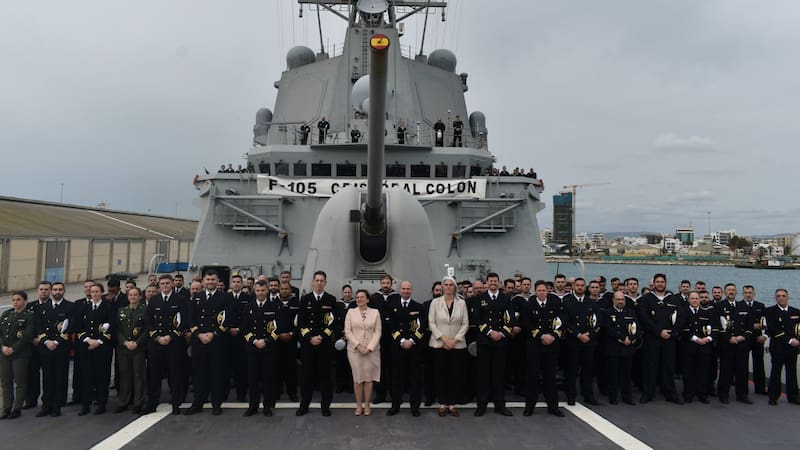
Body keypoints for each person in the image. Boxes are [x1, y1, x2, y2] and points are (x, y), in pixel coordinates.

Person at [183, 271, 235, 416]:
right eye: (208, 279)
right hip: (199, 341)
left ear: (217, 281)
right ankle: (198, 402)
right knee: (199, 373)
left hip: (217, 340)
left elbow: (228, 318)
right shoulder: (197, 297)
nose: (210, 282)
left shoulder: (225, 297)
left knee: (217, 373)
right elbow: (190, 319)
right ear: (204, 281)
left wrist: (214, 333)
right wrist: (199, 334)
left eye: (213, 279)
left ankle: (216, 404)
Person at [142, 274, 191, 416]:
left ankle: (176, 404)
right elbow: (148, 321)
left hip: (174, 343)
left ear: (172, 284)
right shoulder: (154, 301)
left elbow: (183, 322)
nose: (164, 285)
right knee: (154, 375)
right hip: (156, 343)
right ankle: (152, 404)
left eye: (167, 283)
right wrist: (157, 337)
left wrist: (170, 337)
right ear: (159, 285)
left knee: (175, 375)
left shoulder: (180, 300)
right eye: (162, 283)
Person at [472, 272, 514, 416]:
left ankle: (500, 405)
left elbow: (510, 318)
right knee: (483, 375)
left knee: (499, 375)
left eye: (495, 281)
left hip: (501, 342)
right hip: (485, 341)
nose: (493, 283)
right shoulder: (479, 298)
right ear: (487, 283)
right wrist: (490, 332)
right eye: (490, 281)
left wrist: (501, 333)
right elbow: (477, 319)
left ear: (499, 282)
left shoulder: (506, 298)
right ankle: (481, 405)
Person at [637, 273, 684, 404]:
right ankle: (648, 393)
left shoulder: (674, 299)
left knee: (668, 367)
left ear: (665, 283)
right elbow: (644, 318)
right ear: (654, 284)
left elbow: (681, 317)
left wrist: (672, 332)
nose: (660, 284)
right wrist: (659, 331)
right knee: (650, 367)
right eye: (657, 282)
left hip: (669, 339)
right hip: (652, 338)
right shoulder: (646, 299)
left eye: (662, 282)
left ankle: (670, 393)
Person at [296, 271, 337, 417]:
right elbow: (301, 322)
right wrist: (309, 337)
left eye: (322, 281)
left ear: (325, 283)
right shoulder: (305, 299)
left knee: (325, 375)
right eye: (317, 280)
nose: (319, 283)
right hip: (308, 344)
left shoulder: (331, 299)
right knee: (306, 376)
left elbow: (333, 322)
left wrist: (321, 336)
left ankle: (325, 406)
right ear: (313, 282)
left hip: (324, 344)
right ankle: (304, 405)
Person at [521, 280, 565, 417]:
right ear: (535, 291)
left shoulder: (555, 304)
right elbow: (526, 324)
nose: (541, 293)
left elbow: (562, 322)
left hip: (551, 346)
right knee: (532, 377)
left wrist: (552, 336)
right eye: (539, 290)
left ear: (548, 291)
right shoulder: (528, 305)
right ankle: (530, 407)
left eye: (544, 290)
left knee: (550, 378)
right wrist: (541, 336)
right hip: (535, 346)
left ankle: (553, 407)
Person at [428, 276, 469, 417]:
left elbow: (465, 323)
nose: (448, 287)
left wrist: (454, 340)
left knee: (454, 374)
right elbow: (431, 323)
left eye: (451, 284)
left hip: (457, 345)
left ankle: (452, 404)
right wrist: (445, 339)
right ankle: (442, 403)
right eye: (446, 284)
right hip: (439, 344)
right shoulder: (435, 302)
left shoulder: (462, 303)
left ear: (455, 287)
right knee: (440, 374)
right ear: (442, 287)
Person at [386, 281, 425, 416]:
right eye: (404, 289)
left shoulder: (419, 307)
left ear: (411, 290)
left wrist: (412, 340)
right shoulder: (392, 306)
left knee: (415, 379)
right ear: (399, 290)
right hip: (398, 348)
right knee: (396, 378)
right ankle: (395, 405)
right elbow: (391, 327)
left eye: (408, 289)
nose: (406, 291)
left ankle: (415, 407)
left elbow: (421, 327)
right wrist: (402, 340)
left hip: (414, 348)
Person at [75, 284, 115, 416]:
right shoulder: (83, 307)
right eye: (92, 292)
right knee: (87, 376)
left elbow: (112, 326)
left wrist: (99, 341)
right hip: (86, 346)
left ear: (102, 293)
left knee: (102, 376)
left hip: (102, 347)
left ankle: (101, 403)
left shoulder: (108, 307)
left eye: (97, 291)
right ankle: (85, 404)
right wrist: (88, 340)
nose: (94, 294)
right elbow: (79, 327)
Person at [241, 281, 279, 417]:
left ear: (267, 291)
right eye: (258, 290)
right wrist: (255, 341)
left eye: (263, 290)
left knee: (267, 379)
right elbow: (245, 329)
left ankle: (267, 406)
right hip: (252, 349)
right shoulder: (248, 307)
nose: (261, 293)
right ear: (254, 292)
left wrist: (266, 340)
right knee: (252, 379)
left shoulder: (274, 307)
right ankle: (253, 406)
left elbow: (277, 328)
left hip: (268, 349)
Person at [562, 277, 601, 406]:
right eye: (577, 285)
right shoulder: (567, 302)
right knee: (571, 370)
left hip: (589, 341)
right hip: (573, 341)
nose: (579, 287)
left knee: (588, 371)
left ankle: (588, 395)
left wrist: (589, 334)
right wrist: (578, 334)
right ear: (573, 287)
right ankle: (571, 395)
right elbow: (565, 322)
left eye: (582, 285)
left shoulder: (592, 303)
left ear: (586, 287)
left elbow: (598, 322)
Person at [344, 289, 381, 416]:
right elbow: (348, 332)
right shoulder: (350, 312)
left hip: (371, 350)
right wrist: (359, 346)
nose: (359, 299)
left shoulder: (375, 312)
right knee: (358, 378)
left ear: (367, 299)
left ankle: (367, 405)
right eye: (357, 297)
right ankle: (359, 405)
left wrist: (369, 347)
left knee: (369, 378)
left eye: (362, 297)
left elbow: (378, 332)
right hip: (355, 350)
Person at [715, 283, 753, 404]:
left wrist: (743, 337)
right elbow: (718, 326)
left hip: (741, 343)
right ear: (725, 292)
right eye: (729, 290)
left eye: (733, 290)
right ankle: (723, 394)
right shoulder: (720, 306)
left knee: (742, 370)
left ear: (736, 292)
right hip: (727, 344)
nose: (731, 292)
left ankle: (742, 394)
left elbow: (750, 325)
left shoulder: (743, 306)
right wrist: (729, 338)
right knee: (726, 370)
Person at [0, 291, 35, 419]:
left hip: (20, 354)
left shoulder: (29, 315)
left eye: (18, 299)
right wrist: (3, 346)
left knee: (20, 382)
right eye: (14, 299)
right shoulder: (6, 314)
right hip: (5, 354)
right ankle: (6, 408)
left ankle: (17, 408)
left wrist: (13, 349)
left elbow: (28, 335)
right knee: (5, 382)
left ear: (24, 301)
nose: (15, 302)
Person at [113, 286, 147, 414]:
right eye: (130, 295)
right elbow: (117, 330)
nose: (133, 297)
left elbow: (146, 329)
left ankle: (139, 401)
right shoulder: (122, 311)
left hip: (138, 348)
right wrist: (124, 342)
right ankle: (123, 401)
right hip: (124, 348)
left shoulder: (145, 310)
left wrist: (137, 343)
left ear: (140, 296)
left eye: (135, 295)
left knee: (139, 375)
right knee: (124, 375)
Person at [602, 291, 640, 405]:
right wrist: (623, 338)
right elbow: (608, 329)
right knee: (613, 374)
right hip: (613, 347)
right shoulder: (607, 312)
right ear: (613, 300)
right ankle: (613, 396)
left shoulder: (631, 312)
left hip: (627, 348)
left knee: (626, 374)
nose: (620, 301)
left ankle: (626, 396)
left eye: (622, 299)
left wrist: (631, 338)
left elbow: (636, 327)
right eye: (618, 299)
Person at [680, 291, 718, 404]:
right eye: (692, 298)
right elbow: (684, 329)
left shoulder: (707, 313)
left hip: (704, 347)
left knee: (703, 372)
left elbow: (715, 328)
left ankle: (702, 394)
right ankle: (688, 394)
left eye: (697, 298)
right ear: (688, 300)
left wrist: (708, 339)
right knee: (688, 372)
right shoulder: (684, 312)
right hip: (689, 346)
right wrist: (697, 339)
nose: (695, 300)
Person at [764, 289, 800, 405]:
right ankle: (773, 396)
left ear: (788, 297)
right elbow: (773, 330)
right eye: (778, 296)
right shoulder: (770, 311)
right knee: (776, 372)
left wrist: (798, 341)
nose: (781, 298)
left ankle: (793, 396)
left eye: (783, 296)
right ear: (775, 298)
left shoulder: (796, 312)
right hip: (778, 348)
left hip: (792, 349)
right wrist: (790, 340)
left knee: (792, 373)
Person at [371, 275, 399, 404]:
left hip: (393, 338)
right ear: (380, 284)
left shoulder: (397, 297)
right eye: (383, 283)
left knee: (394, 368)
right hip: (379, 338)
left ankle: (395, 395)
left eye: (388, 282)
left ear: (391, 283)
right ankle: (380, 394)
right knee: (379, 367)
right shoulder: (374, 298)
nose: (385, 285)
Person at [273, 282, 299, 403]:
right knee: (276, 367)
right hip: (276, 340)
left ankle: (292, 392)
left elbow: (300, 322)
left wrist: (292, 334)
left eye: (286, 289)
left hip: (291, 340)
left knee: (291, 368)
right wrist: (278, 334)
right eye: (282, 289)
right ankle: (276, 392)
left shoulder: (297, 304)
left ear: (290, 290)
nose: (284, 291)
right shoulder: (273, 304)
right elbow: (270, 322)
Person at [742, 285, 767, 395]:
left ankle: (760, 388)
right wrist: (752, 326)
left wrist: (765, 336)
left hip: (757, 339)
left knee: (759, 364)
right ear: (743, 294)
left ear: (754, 294)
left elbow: (767, 323)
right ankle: (743, 389)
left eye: (750, 292)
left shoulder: (760, 306)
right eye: (746, 292)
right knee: (742, 364)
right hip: (744, 339)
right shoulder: (739, 306)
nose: (748, 294)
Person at [335, 285, 356, 394]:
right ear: (342, 293)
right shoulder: (338, 305)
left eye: (349, 292)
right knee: (340, 363)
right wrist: (341, 332)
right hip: (340, 337)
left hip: (352, 337)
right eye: (345, 292)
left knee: (351, 363)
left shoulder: (355, 304)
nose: (347, 294)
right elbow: (334, 320)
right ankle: (340, 384)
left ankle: (350, 385)